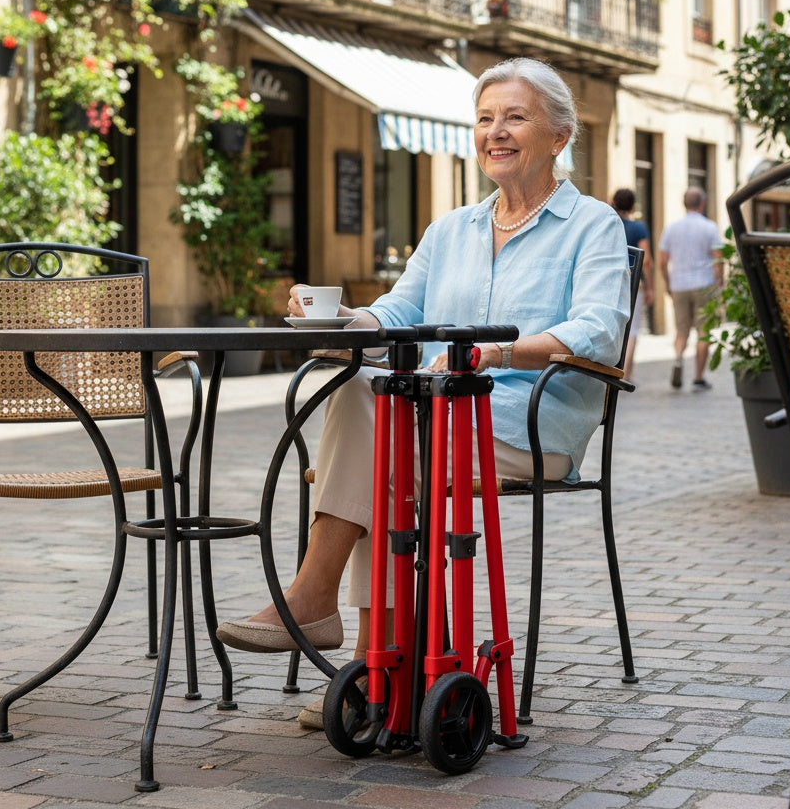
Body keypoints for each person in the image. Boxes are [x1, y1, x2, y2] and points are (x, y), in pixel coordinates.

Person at [215, 57, 631, 727]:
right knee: (363, 401)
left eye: (515, 117)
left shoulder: (594, 225)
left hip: (528, 423)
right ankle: (382, 667)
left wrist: (497, 349)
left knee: (379, 447)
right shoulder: (450, 230)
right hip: (435, 419)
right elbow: (398, 313)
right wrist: (345, 323)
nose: (495, 132)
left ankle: (346, 636)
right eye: (485, 119)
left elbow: (600, 331)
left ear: (559, 136)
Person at [657, 186, 723, 390]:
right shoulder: (710, 227)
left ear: (684, 204)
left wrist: (668, 283)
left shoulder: (671, 227)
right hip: (704, 284)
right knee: (704, 332)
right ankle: (698, 377)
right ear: (702, 203)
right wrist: (719, 284)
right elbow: (718, 260)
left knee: (681, 330)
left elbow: (662, 260)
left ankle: (678, 359)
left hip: (679, 284)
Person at [610, 187, 654, 380]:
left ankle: (612, 367)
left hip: (610, 280)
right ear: (633, 205)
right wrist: (650, 287)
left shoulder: (608, 223)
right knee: (632, 328)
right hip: (633, 282)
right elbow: (646, 260)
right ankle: (625, 372)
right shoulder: (638, 228)